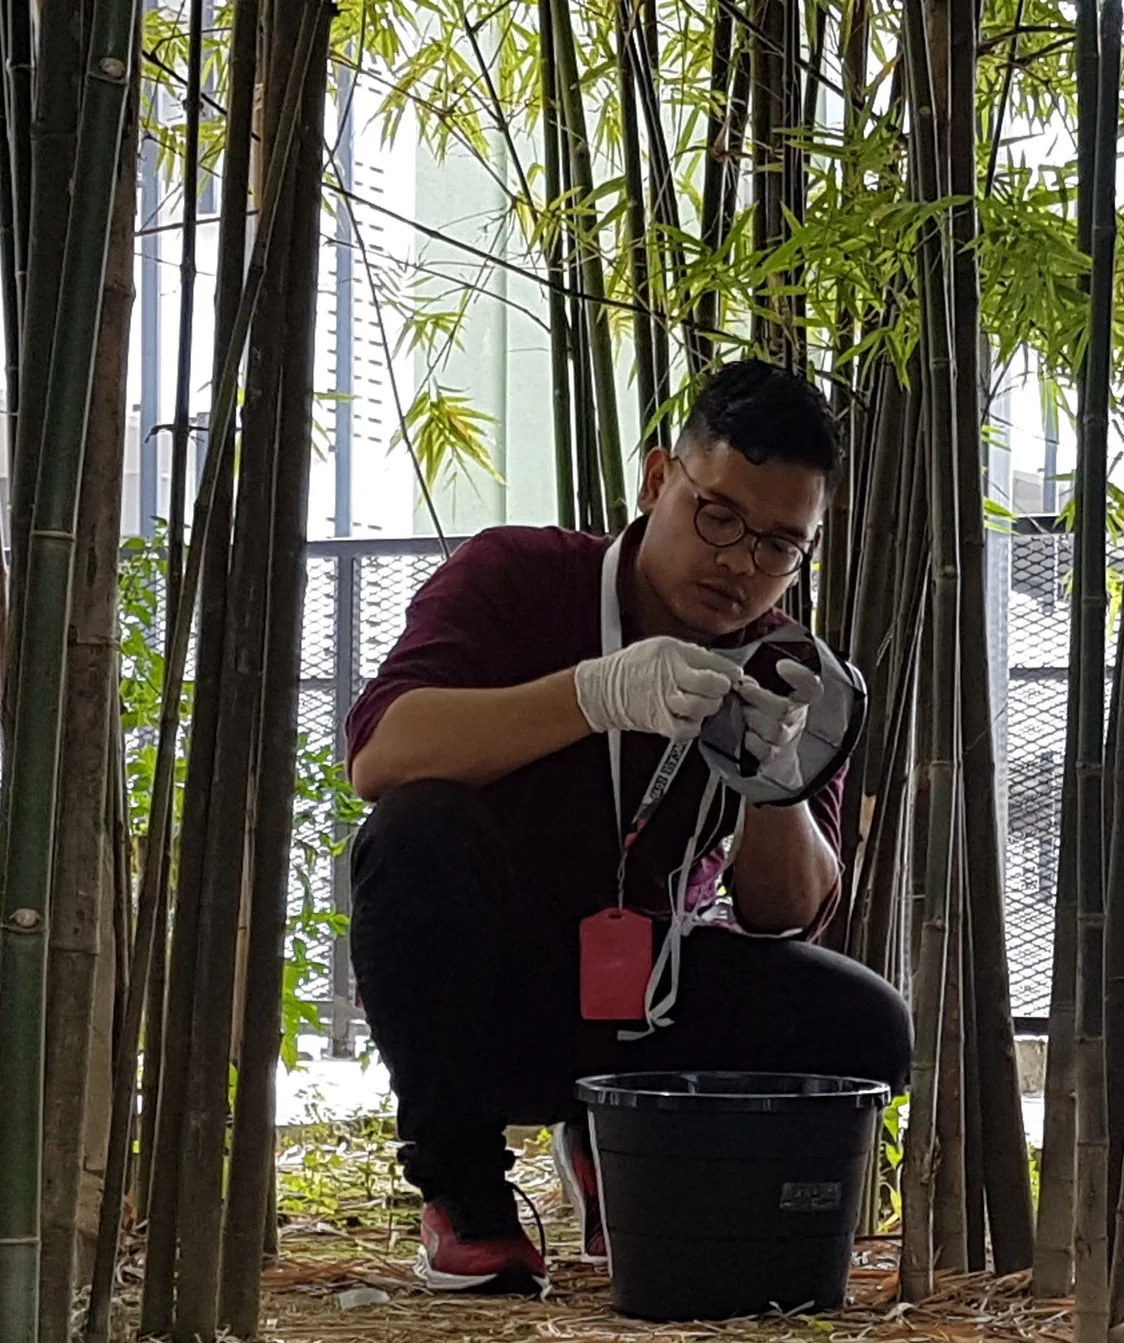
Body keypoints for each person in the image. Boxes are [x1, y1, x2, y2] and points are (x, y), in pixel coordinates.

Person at [345, 361, 913, 1295]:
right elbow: (381, 756)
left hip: (649, 994)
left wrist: (776, 783)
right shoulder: (516, 574)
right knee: (415, 831)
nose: (740, 563)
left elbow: (787, 913)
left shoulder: (787, 669)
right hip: (486, 991)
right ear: (657, 480)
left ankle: (643, 1146)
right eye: (718, 516)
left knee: (868, 1027)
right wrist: (591, 695)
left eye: (779, 545)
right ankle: (467, 1197)